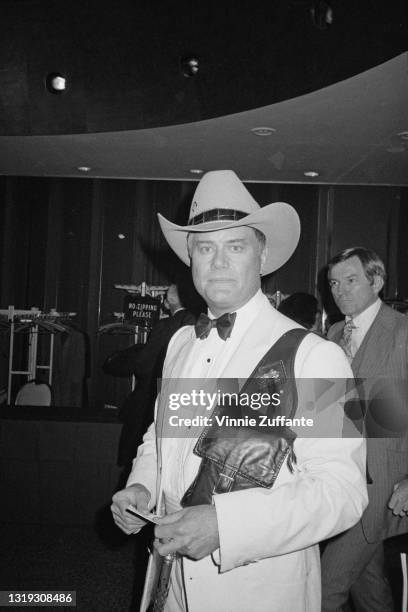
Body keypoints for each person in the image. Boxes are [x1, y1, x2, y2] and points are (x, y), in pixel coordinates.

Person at [111, 170, 368, 612]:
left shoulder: (318, 357)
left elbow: (343, 493)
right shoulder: (179, 343)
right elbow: (160, 436)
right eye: (205, 248)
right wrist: (142, 488)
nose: (219, 261)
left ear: (263, 255)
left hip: (257, 589)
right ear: (189, 260)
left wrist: (226, 527)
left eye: (236, 246)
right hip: (167, 582)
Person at [321, 246, 408, 611]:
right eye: (334, 283)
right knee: (368, 588)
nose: (339, 290)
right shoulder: (334, 332)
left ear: (377, 281)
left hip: (383, 483)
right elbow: (327, 408)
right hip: (339, 476)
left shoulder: (401, 331)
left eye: (351, 280)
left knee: (324, 589)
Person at [104, 283, 196, 471]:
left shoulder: (165, 326)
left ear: (168, 300)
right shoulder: (199, 322)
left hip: (155, 398)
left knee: (147, 456)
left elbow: (145, 365)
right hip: (190, 401)